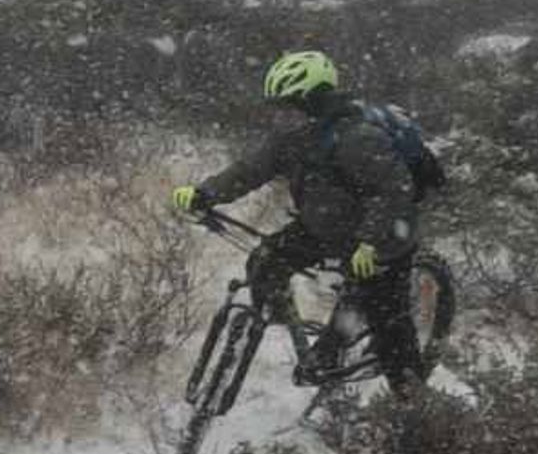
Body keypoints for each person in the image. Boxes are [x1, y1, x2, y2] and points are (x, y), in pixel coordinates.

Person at [171, 49, 442, 393]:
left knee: (386, 322)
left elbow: (393, 193)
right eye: (279, 108)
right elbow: (250, 171)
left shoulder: (358, 138)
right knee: (265, 263)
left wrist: (371, 243)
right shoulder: (292, 140)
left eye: (289, 106)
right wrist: (204, 194)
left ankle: (414, 403)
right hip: (323, 227)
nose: (281, 115)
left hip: (382, 236)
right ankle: (297, 338)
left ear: (313, 102)